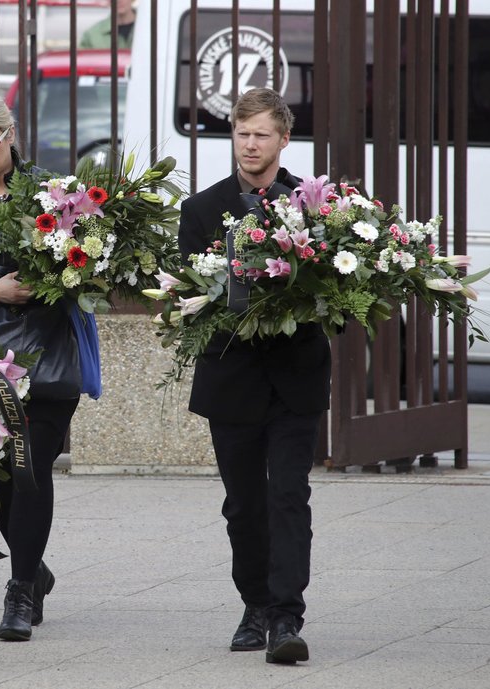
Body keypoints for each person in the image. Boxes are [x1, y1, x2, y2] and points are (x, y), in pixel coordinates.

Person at [177, 87, 331, 665]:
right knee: (243, 503)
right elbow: (191, 295)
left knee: (288, 494)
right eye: (242, 133)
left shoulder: (314, 208)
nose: (250, 143)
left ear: (283, 139)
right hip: (231, 376)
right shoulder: (201, 211)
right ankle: (256, 604)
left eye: (262, 133)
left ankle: (287, 616)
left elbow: (337, 295)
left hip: (296, 376)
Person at [0, 92, 96, 641]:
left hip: (49, 355)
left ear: (9, 134)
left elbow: (92, 260)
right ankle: (34, 569)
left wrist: (63, 275)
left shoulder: (54, 194)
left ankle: (18, 592)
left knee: (31, 468)